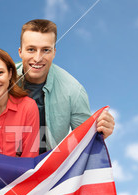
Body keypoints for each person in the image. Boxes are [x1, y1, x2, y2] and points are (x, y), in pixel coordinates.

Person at [16, 19, 115, 153]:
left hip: (51, 167)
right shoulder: (1, 80)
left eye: (46, 50)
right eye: (31, 49)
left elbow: (87, 142)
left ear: (54, 52)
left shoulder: (73, 90)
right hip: (7, 164)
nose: (38, 58)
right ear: (20, 52)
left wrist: (101, 131)